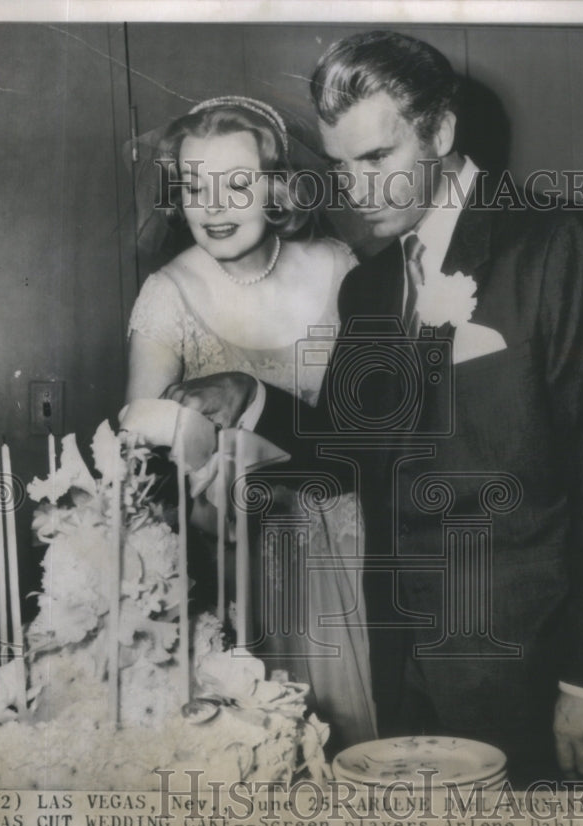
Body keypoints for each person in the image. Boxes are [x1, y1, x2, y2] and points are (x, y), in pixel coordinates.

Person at [161, 33, 583, 785]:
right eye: (341, 166)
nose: (356, 189)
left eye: (377, 159)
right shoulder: (373, 286)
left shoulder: (563, 245)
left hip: (533, 669)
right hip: (404, 663)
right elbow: (356, 450)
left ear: (441, 133)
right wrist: (251, 398)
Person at [121, 96, 378, 750]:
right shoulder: (167, 294)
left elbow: (371, 439)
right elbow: (138, 461)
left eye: (237, 184)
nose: (214, 205)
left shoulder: (339, 270)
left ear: (279, 188)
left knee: (357, 747)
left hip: (348, 551)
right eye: (195, 185)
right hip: (231, 564)